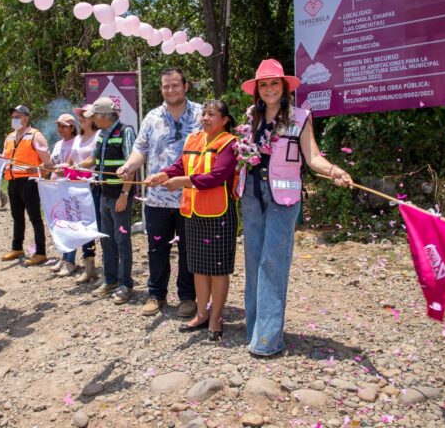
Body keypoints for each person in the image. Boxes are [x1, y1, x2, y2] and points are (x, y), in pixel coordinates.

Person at [238, 59, 353, 356]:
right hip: (251, 193)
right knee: (253, 262)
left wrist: (334, 171)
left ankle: (268, 340)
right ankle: (255, 331)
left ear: (284, 87)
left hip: (283, 198)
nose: (269, 89)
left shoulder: (300, 117)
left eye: (274, 83)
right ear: (257, 91)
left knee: (273, 262)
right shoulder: (251, 118)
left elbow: (312, 157)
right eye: (264, 84)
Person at [146, 100, 238, 341]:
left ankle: (216, 318)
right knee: (198, 267)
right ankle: (201, 313)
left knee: (217, 270)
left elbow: (217, 176)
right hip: (193, 212)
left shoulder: (230, 143)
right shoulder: (193, 139)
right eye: (204, 114)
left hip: (219, 214)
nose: (206, 118)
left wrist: (182, 181)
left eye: (212, 114)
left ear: (225, 119)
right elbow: (180, 165)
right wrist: (163, 175)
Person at [117, 68, 202, 318]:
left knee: (189, 249)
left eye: (175, 85)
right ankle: (156, 295)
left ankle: (188, 297)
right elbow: (139, 150)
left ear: (186, 86)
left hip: (190, 196)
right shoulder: (152, 117)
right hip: (156, 199)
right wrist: (128, 166)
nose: (170, 90)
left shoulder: (201, 114)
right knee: (156, 249)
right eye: (166, 86)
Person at [76, 97, 136, 305]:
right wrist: (73, 167)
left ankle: (125, 284)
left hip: (120, 196)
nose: (92, 121)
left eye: (93, 117)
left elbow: (131, 166)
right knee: (106, 238)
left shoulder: (125, 132)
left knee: (122, 240)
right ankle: (110, 280)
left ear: (103, 116)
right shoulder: (101, 134)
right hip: (104, 194)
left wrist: (124, 195)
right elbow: (93, 160)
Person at [0, 105, 53, 266]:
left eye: (17, 116)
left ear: (26, 118)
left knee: (35, 217)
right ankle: (17, 248)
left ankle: (41, 252)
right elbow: (4, 158)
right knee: (17, 216)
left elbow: (48, 164)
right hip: (12, 181)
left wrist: (37, 170)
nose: (14, 119)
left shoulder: (35, 136)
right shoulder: (9, 137)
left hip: (29, 182)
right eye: (12, 116)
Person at [66, 105, 101, 284]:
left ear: (94, 118)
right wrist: (64, 168)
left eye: (84, 115)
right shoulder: (78, 138)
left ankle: (96, 267)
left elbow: (94, 159)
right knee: (80, 224)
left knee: (91, 225)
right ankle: (88, 266)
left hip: (92, 186)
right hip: (76, 186)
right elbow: (71, 159)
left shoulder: (98, 136)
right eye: (79, 116)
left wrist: (78, 167)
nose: (80, 118)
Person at [48, 114, 80, 276]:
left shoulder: (78, 142)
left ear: (72, 127)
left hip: (70, 189)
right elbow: (53, 163)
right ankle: (64, 256)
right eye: (59, 126)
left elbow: (74, 165)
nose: (60, 129)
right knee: (60, 223)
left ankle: (71, 260)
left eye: (64, 126)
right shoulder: (58, 144)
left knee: (70, 224)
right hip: (56, 188)